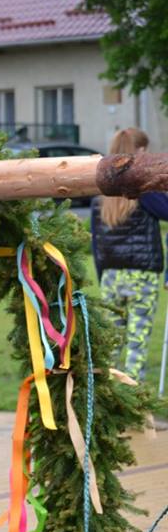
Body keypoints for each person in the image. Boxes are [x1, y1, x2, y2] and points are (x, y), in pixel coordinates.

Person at [91, 127, 168, 381]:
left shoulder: (100, 195)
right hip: (142, 276)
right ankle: (133, 395)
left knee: (112, 345)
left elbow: (96, 244)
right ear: (139, 151)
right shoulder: (144, 192)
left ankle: (109, 393)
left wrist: (102, 276)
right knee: (137, 345)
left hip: (110, 277)